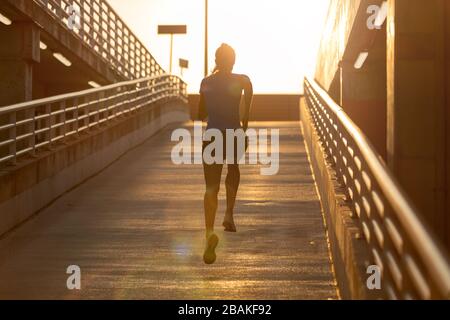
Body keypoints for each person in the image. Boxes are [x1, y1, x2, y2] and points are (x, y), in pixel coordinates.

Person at [198, 43, 253, 264]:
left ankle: (209, 232)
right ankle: (229, 213)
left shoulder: (205, 82)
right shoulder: (243, 80)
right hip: (233, 132)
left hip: (212, 136)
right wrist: (244, 129)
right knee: (233, 168)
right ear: (233, 60)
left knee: (211, 187)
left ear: (216, 59)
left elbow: (200, 113)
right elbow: (246, 109)